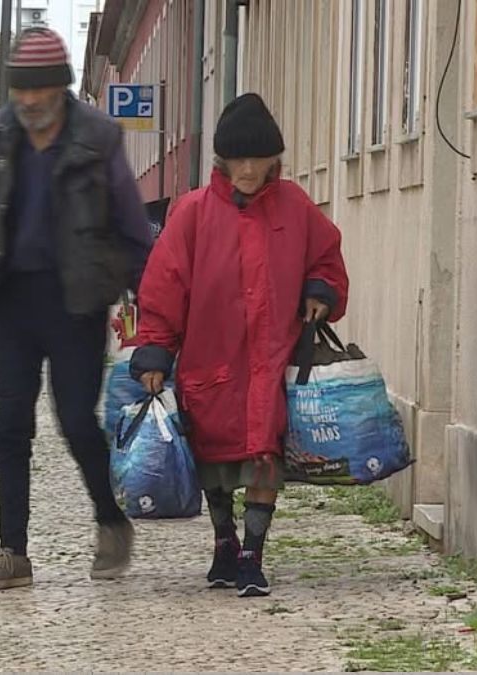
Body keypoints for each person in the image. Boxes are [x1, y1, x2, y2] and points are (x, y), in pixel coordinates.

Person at [0, 28, 153, 592]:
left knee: (76, 418)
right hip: (12, 297)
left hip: (77, 300)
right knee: (12, 422)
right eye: (20, 93)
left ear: (60, 89)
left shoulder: (98, 136)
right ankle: (13, 552)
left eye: (39, 93)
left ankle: (109, 518)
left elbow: (129, 223)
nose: (28, 104)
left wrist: (152, 300)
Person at [131, 93, 349, 598]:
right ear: (222, 161)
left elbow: (326, 257)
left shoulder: (295, 207)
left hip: (270, 360)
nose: (249, 169)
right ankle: (224, 541)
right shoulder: (192, 213)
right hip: (212, 356)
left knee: (263, 453)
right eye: (239, 159)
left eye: (259, 159)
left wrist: (320, 291)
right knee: (214, 460)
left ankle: (253, 554)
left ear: (276, 159)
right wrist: (156, 351)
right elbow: (164, 287)